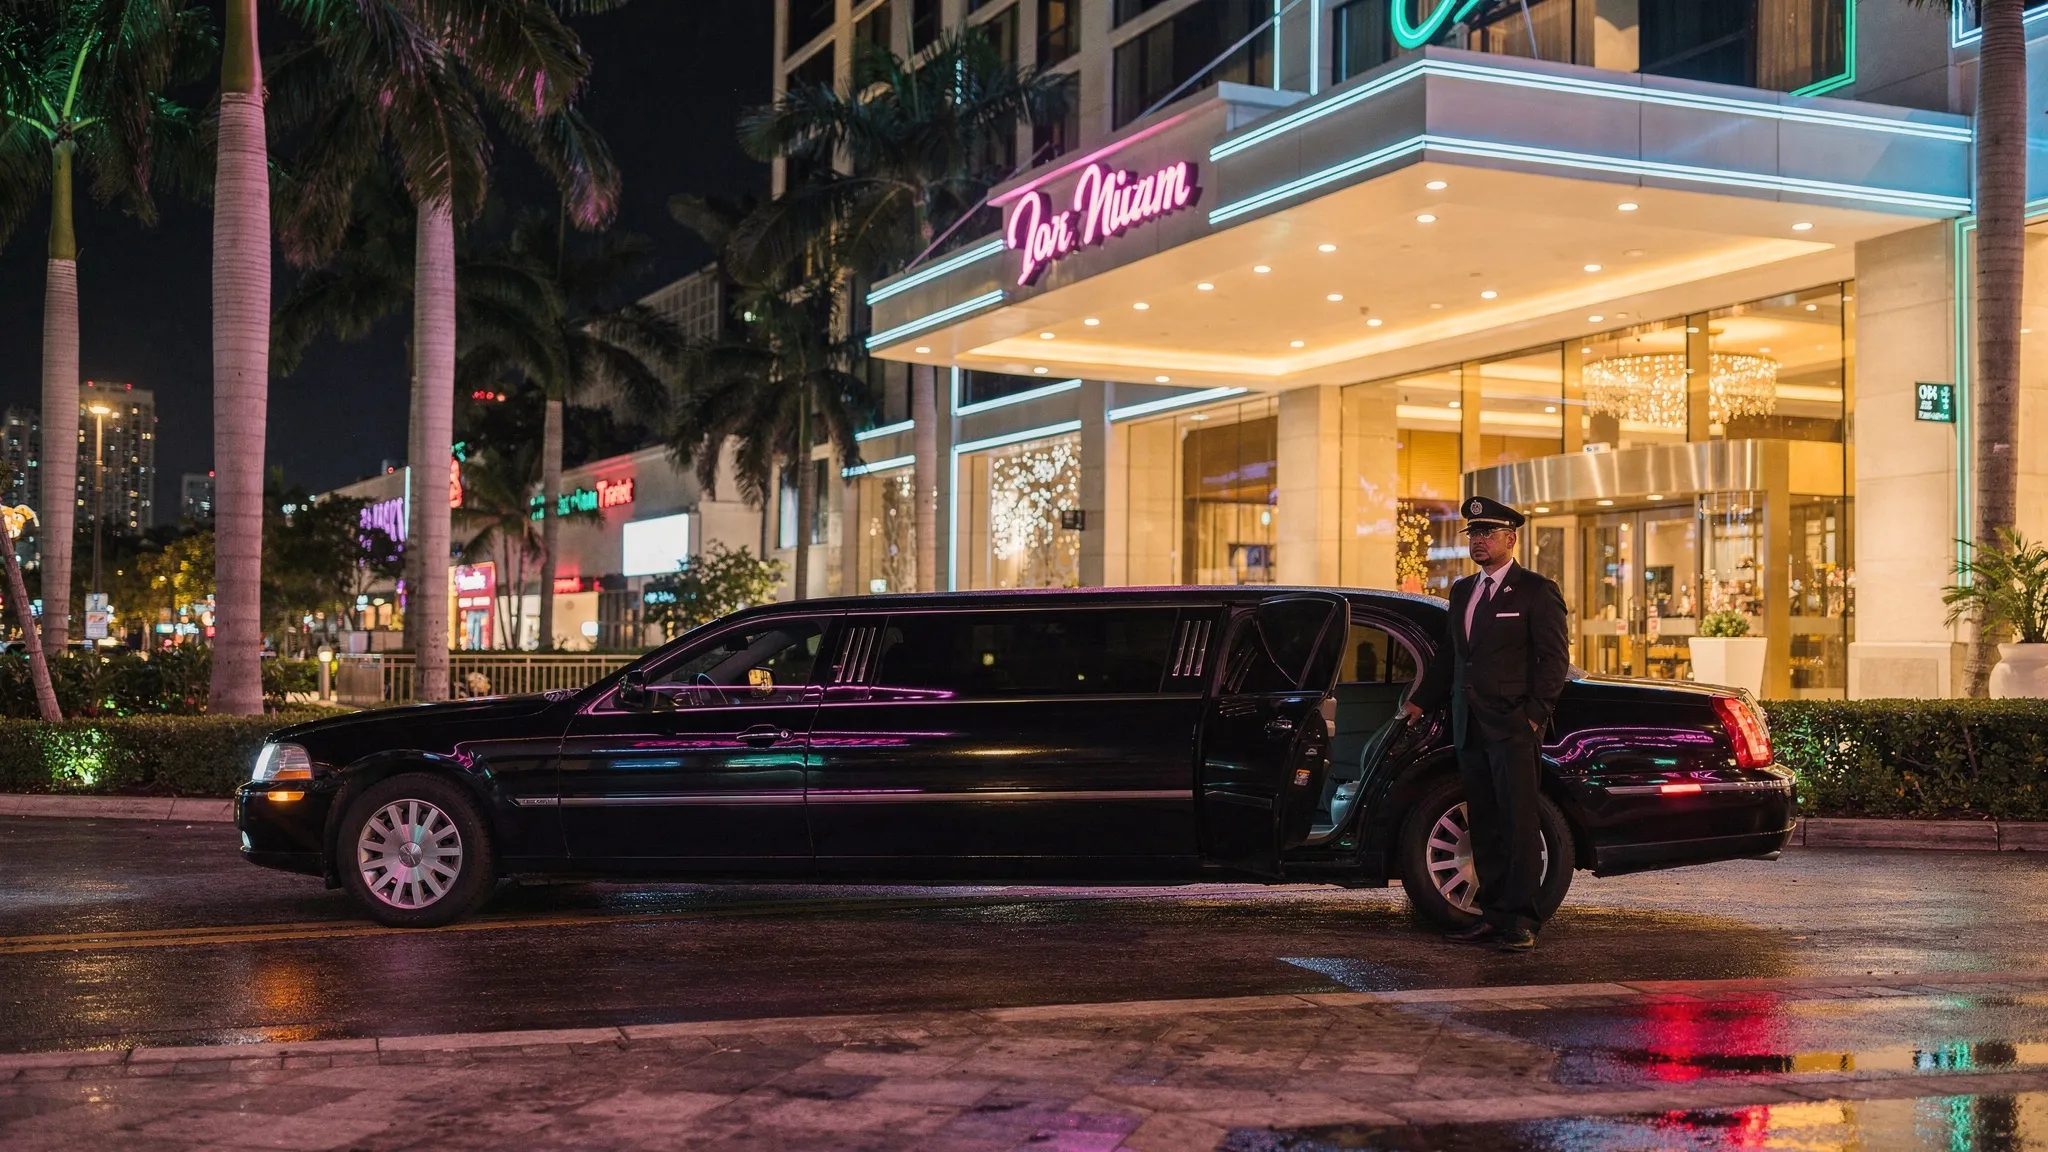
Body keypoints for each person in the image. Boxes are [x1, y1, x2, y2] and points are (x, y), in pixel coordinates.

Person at [1403, 496, 1571, 953]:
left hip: (1514, 727)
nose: (1479, 541)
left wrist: (1533, 716)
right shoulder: (1462, 591)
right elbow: (1452, 657)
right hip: (1470, 727)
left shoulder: (1536, 590)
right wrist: (1420, 701)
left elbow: (1554, 662)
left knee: (1519, 825)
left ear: (1510, 539)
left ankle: (1521, 921)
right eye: (1474, 535)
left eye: (1488, 533)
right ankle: (1493, 917)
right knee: (1487, 825)